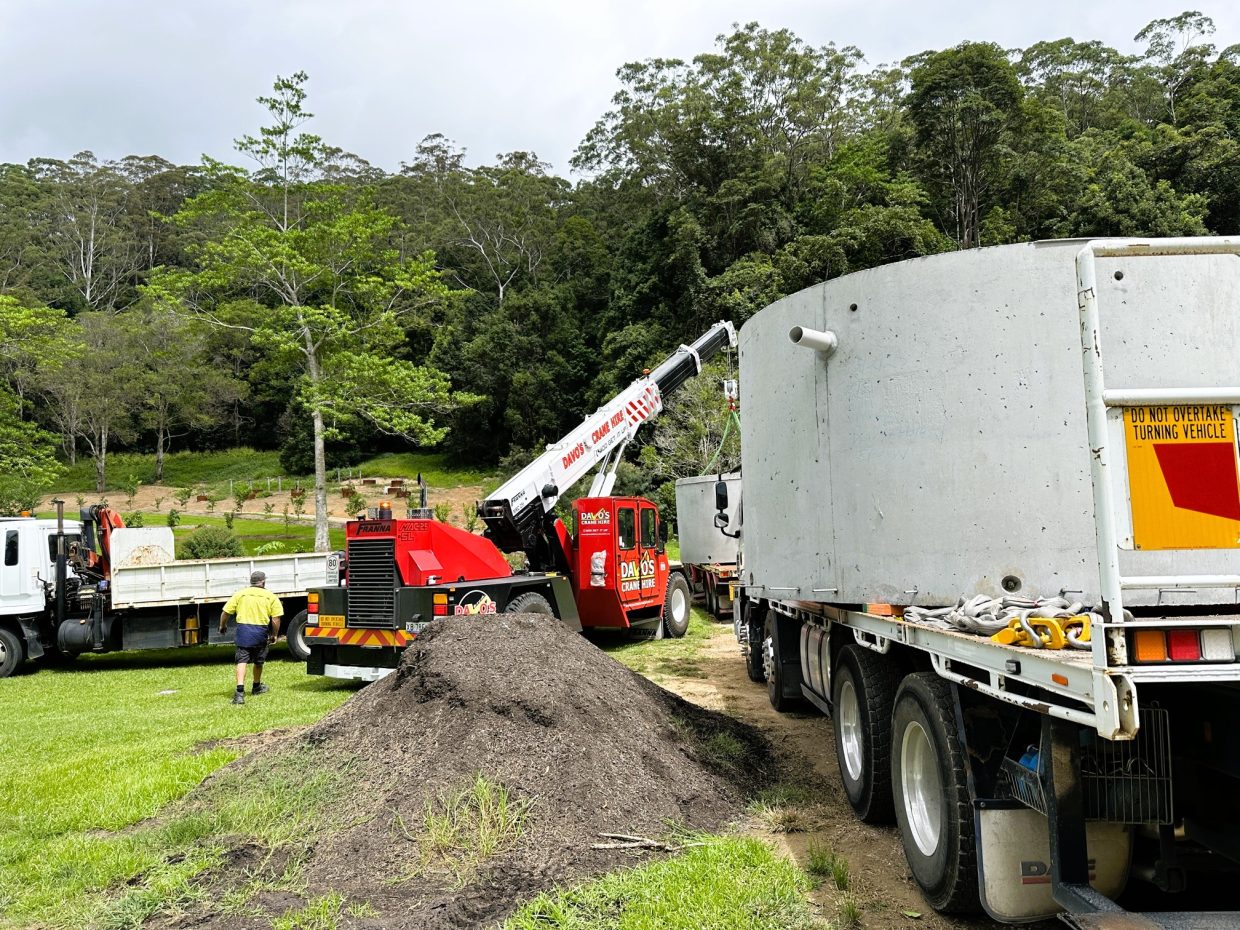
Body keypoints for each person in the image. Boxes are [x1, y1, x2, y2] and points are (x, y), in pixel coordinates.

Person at [219, 570, 284, 705]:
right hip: (261, 631)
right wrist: (274, 635)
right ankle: (256, 687)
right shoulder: (270, 596)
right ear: (263, 582)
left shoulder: (240, 594)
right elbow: (275, 619)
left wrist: (222, 626)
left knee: (241, 660)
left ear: (251, 582)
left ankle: (239, 693)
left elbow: (225, 613)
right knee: (258, 661)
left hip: (244, 630)